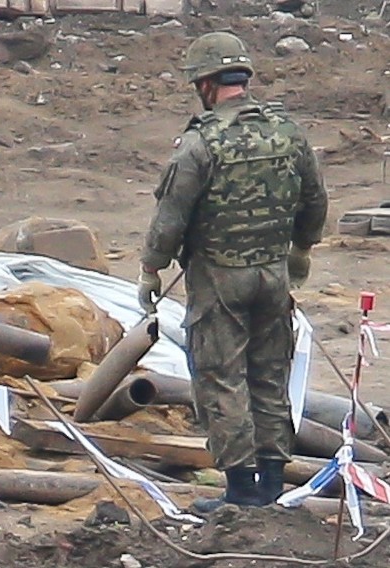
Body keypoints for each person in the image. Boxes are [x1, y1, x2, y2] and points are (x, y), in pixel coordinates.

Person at [137, 31, 328, 509]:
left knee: (221, 379)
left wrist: (151, 271)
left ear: (205, 83)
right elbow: (315, 201)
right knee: (269, 376)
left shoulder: (199, 145)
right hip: (272, 276)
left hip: (220, 280)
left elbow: (170, 219)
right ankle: (271, 483)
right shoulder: (288, 132)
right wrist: (300, 249)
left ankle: (241, 492)